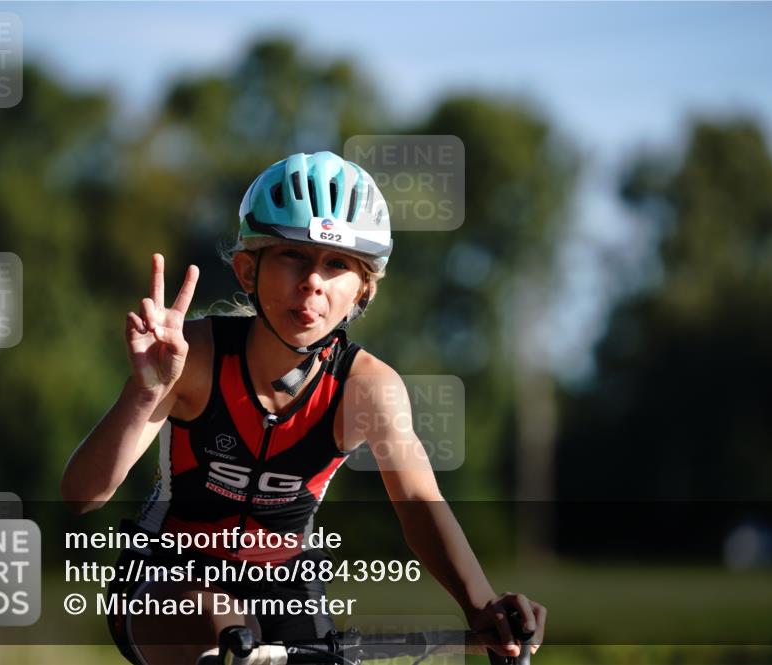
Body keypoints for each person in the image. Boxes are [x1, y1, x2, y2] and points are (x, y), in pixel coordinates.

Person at [61, 151, 546, 665]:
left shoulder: (368, 387)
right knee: (223, 629)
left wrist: (482, 606)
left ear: (363, 291)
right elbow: (82, 496)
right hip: (169, 584)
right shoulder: (196, 356)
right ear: (248, 270)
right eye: (294, 255)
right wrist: (145, 391)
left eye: (337, 264)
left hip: (286, 590)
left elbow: (420, 504)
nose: (313, 281)